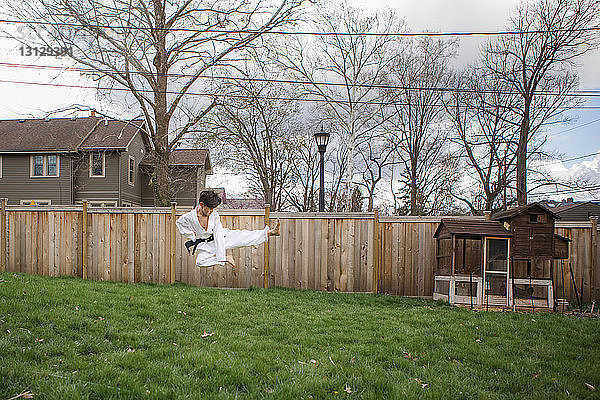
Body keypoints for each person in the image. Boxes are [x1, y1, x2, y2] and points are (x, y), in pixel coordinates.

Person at [176, 190, 280, 268]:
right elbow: (180, 223)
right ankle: (227, 258)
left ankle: (271, 232)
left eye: (214, 209)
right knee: (200, 262)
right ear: (202, 205)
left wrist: (220, 255)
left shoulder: (214, 215)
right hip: (206, 243)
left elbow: (218, 235)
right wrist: (191, 235)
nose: (212, 211)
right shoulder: (190, 217)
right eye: (210, 208)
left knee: (244, 237)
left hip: (222, 237)